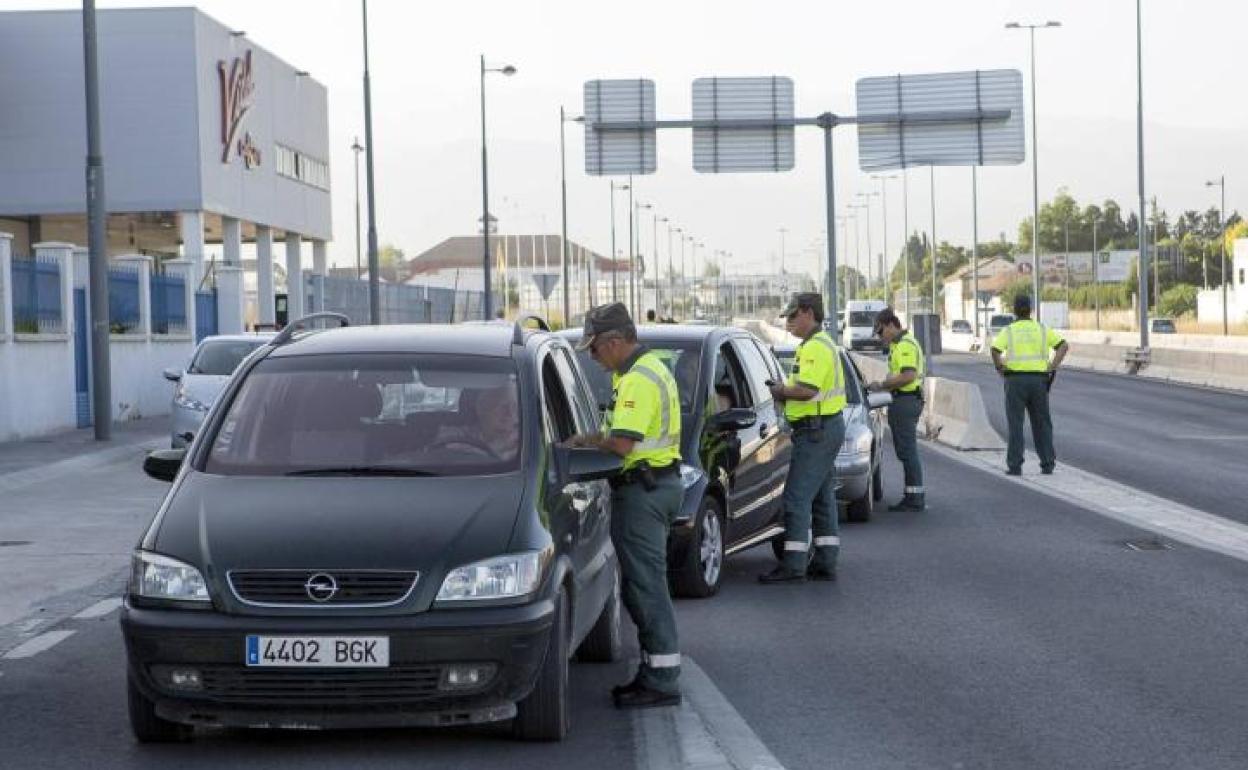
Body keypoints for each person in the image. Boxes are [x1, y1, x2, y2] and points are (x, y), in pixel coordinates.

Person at [567, 302, 683, 709]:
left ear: (615, 341)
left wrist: (584, 441)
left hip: (643, 492)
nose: (594, 359)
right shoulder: (643, 371)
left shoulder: (638, 380)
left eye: (595, 350)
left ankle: (663, 680)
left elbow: (620, 443)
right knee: (644, 584)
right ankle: (654, 672)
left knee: (646, 587)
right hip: (656, 486)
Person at [760, 292, 847, 584]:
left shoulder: (814, 348)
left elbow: (806, 390)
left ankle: (793, 564)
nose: (788, 322)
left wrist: (779, 391)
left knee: (796, 499)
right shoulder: (821, 345)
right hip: (823, 428)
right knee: (822, 498)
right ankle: (825, 560)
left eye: (793, 316)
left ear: (808, 313)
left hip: (816, 431)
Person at [990, 294, 1069, 476]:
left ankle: (1015, 466)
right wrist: (1052, 366)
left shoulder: (1009, 330)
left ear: (1015, 310)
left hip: (1015, 381)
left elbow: (995, 350)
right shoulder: (1041, 329)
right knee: (1042, 423)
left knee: (1016, 424)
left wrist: (1000, 367)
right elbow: (1063, 346)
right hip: (1039, 381)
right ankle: (1047, 463)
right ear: (1030, 309)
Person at [866, 308, 926, 511]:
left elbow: (908, 375)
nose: (880, 337)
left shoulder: (905, 345)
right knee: (905, 450)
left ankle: (915, 497)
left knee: (908, 450)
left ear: (891, 325)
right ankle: (913, 494)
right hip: (903, 399)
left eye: (881, 332)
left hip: (906, 400)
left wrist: (883, 385)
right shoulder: (899, 344)